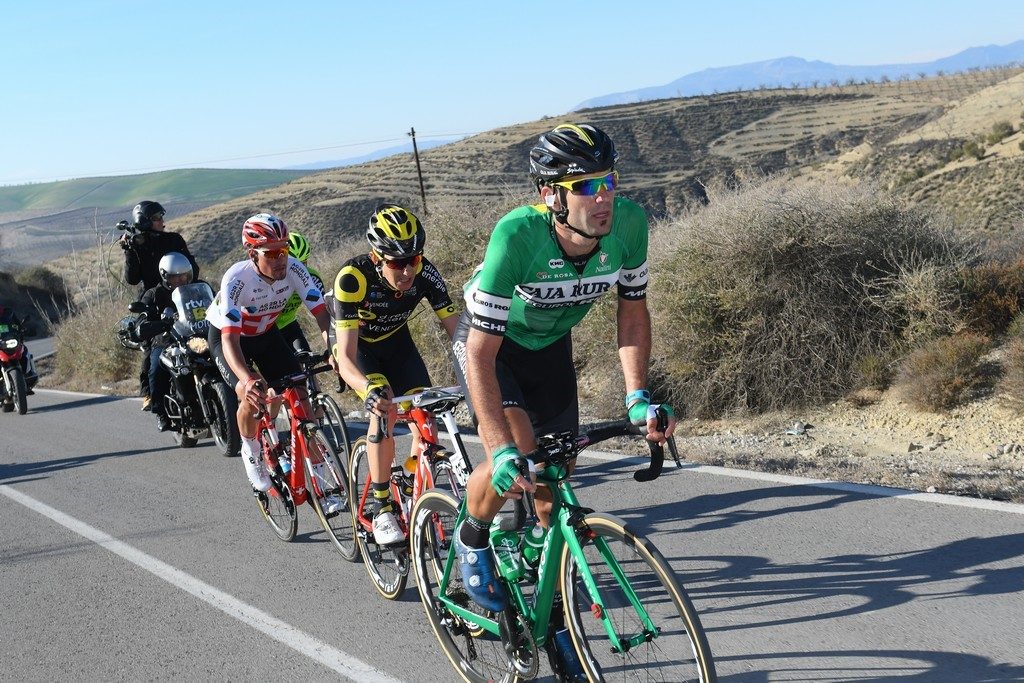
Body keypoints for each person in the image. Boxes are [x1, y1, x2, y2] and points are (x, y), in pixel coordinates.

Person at [452, 123, 676, 611]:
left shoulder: (630, 226)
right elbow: (480, 355)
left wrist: (636, 395)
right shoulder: (518, 236)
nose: (604, 198)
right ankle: (471, 537)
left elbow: (633, 310)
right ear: (550, 194)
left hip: (551, 346)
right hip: (492, 346)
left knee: (558, 473)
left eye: (610, 181)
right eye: (587, 186)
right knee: (517, 457)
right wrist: (500, 448)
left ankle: (542, 569)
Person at [332, 204, 459, 545]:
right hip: (361, 350)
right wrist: (367, 391)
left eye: (414, 260)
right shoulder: (352, 278)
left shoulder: (426, 274)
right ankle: (383, 505)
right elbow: (344, 357)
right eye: (397, 263)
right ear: (377, 257)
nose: (407, 271)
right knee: (384, 408)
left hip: (398, 345)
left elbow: (458, 334)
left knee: (426, 416)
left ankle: (418, 484)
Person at [205, 213, 337, 498]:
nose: (281, 259)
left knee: (299, 392)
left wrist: (335, 349)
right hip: (231, 339)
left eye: (285, 249)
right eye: (273, 253)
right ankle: (251, 451)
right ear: (253, 254)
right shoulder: (236, 279)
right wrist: (246, 379)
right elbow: (229, 339)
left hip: (266, 333)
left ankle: (323, 476)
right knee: (250, 393)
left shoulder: (295, 269)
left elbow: (322, 315)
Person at [120, 200, 200, 412]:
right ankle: (149, 393)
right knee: (152, 346)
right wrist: (129, 251)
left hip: (182, 293)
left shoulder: (174, 239)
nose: (162, 221)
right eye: (156, 218)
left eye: (161, 217)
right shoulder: (137, 244)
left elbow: (194, 268)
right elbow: (132, 279)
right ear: (144, 221)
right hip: (153, 300)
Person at [135, 252, 200, 432]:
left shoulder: (198, 288)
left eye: (184, 276)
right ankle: (161, 412)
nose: (180, 280)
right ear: (165, 276)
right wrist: (147, 324)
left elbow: (214, 302)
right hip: (166, 341)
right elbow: (142, 318)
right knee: (156, 368)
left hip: (195, 336)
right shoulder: (154, 294)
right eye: (175, 277)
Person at [274, 232, 326, 353]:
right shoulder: (270, 278)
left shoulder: (312, 277)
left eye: (303, 264)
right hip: (266, 330)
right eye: (291, 266)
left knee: (306, 362)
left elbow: (325, 311)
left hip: (289, 325)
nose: (297, 270)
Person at [0, 304, 38, 394]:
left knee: (24, 350)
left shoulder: (8, 313)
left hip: (9, 341)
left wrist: (24, 330)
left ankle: (28, 374)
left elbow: (17, 325)